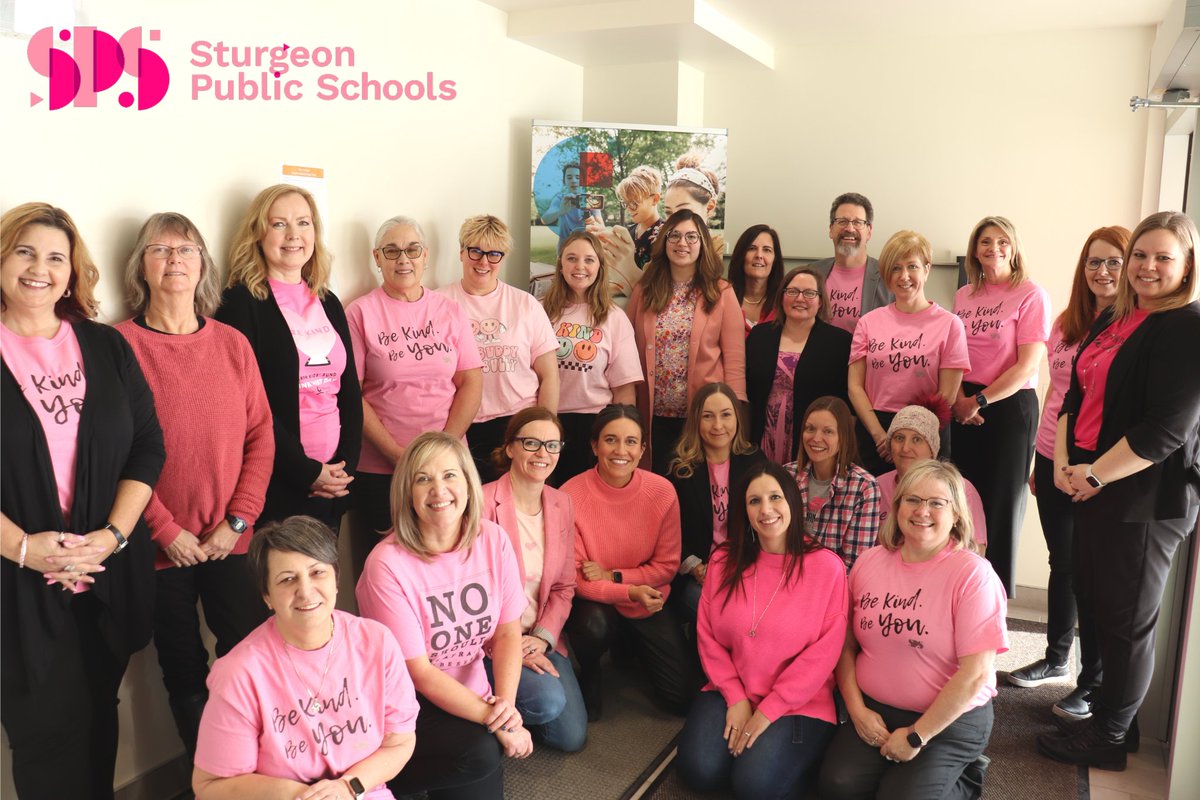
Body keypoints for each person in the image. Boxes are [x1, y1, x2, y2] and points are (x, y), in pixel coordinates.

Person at [1, 202, 165, 800]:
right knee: (44, 742)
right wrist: (24, 548)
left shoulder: (104, 347)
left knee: (99, 725)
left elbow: (147, 447)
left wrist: (113, 536)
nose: (38, 269)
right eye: (24, 252)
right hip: (16, 591)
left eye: (55, 257)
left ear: (73, 272)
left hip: (105, 578)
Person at [1037, 212, 1200, 771]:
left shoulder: (1185, 325)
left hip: (1144, 499)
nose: (1147, 266)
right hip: (1093, 484)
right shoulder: (1118, 318)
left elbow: (1165, 430)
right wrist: (1063, 463)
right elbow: (1074, 396)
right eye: (1141, 256)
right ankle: (1114, 720)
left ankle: (1109, 738)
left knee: (1128, 623)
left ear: (1187, 267)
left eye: (1163, 257)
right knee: (1100, 607)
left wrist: (1095, 474)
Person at [115, 212, 275, 759]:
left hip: (230, 541)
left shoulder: (232, 344)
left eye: (185, 250)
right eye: (159, 250)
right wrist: (165, 530)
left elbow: (261, 436)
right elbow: (116, 453)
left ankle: (261, 770)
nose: (174, 260)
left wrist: (237, 522)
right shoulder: (120, 347)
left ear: (202, 263)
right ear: (141, 265)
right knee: (183, 670)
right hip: (158, 550)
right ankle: (211, 780)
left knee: (249, 657)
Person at [819, 461, 1008, 800]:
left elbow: (976, 675)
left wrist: (917, 737)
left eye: (937, 503)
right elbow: (844, 647)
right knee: (838, 785)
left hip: (948, 720)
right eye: (912, 500)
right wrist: (857, 710)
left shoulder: (973, 576)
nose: (923, 511)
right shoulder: (869, 562)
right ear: (897, 508)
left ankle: (967, 776)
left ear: (957, 515)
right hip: (876, 710)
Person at [192, 516, 417, 800]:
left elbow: (399, 742)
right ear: (267, 596)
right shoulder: (240, 672)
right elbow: (210, 785)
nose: (305, 591)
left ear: (336, 578)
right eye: (287, 579)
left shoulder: (377, 642)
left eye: (317, 572)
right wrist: (305, 795)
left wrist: (347, 788)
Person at [357, 431, 530, 798]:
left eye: (450, 475)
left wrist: (506, 707)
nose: (439, 489)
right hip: (408, 704)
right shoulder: (386, 565)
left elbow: (507, 634)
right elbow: (418, 672)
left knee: (485, 754)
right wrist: (493, 719)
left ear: (469, 483)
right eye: (423, 479)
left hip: (471, 694)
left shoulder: (493, 540)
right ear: (407, 492)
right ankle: (385, 779)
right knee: (481, 752)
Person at [1007, 226, 1129, 719]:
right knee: (1064, 563)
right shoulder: (1066, 323)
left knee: (1092, 574)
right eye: (1093, 262)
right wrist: (1043, 462)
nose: (1102, 272)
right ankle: (1057, 658)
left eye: (1113, 262)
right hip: (1050, 456)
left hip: (1095, 465)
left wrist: (1084, 468)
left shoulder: (1133, 327)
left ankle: (1092, 682)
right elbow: (1051, 394)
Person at [677, 461, 847, 800]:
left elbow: (823, 655)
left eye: (775, 498)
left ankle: (797, 761)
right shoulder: (725, 560)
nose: (766, 509)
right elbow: (707, 634)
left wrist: (770, 710)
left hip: (798, 702)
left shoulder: (827, 567)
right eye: (754, 501)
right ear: (744, 511)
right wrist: (736, 697)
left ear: (792, 503)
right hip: (732, 688)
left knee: (754, 786)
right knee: (698, 771)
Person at [215, 184, 362, 531]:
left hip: (333, 482)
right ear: (258, 234)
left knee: (325, 581)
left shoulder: (328, 301)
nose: (294, 234)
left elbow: (350, 394)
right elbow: (249, 405)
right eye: (279, 224)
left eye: (304, 223)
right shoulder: (240, 304)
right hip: (279, 480)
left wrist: (345, 469)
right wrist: (307, 472)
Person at [346, 215, 483, 578]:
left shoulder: (449, 310)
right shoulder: (359, 313)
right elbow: (352, 394)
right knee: (386, 571)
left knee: (449, 564)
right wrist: (398, 455)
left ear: (426, 256)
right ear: (377, 257)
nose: (402, 259)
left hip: (449, 466)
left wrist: (444, 448)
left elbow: (470, 380)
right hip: (381, 469)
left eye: (412, 250)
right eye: (391, 251)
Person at [562, 404, 700, 719]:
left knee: (681, 700)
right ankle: (591, 666)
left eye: (630, 441)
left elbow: (666, 567)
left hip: (646, 600)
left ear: (642, 449)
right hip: (594, 606)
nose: (620, 450)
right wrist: (629, 591)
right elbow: (579, 580)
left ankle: (628, 643)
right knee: (594, 626)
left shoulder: (662, 492)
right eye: (610, 440)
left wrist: (614, 577)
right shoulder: (570, 495)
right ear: (595, 446)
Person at [951, 215, 1051, 597]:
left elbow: (1028, 364)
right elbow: (956, 352)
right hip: (965, 405)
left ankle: (995, 602)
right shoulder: (964, 295)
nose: (994, 248)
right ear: (974, 250)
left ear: (1014, 248)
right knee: (962, 501)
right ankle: (961, 591)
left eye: (1002, 241)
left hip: (1009, 407)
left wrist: (979, 399)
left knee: (1001, 508)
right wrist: (962, 400)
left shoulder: (1031, 294)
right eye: (985, 241)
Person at [481, 408, 588, 752]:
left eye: (552, 445)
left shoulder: (562, 503)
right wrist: (509, 646)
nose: (543, 453)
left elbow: (563, 586)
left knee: (569, 738)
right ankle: (486, 711)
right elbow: (472, 595)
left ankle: (501, 709)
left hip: (538, 637)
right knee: (547, 703)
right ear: (510, 447)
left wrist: (542, 638)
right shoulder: (481, 502)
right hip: (490, 643)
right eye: (532, 443)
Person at [438, 214, 559, 484]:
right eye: (476, 251)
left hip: (519, 424)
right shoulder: (438, 303)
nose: (484, 262)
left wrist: (544, 431)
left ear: (503, 258)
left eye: (494, 254)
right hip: (463, 425)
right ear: (461, 252)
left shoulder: (525, 304)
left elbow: (549, 376)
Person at [628, 209, 746, 474]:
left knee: (695, 492)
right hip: (652, 417)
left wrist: (733, 416)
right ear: (664, 241)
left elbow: (735, 361)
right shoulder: (644, 290)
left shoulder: (722, 293)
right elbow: (628, 353)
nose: (683, 243)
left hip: (702, 417)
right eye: (675, 236)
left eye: (692, 237)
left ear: (703, 243)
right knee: (655, 488)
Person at [848, 230, 970, 476]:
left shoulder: (950, 324)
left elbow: (946, 394)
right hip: (876, 430)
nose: (904, 276)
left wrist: (911, 437)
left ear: (926, 269)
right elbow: (855, 387)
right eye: (895, 268)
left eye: (912, 266)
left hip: (927, 430)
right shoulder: (868, 322)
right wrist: (882, 437)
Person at [540, 230, 642, 485]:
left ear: (599, 266)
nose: (580, 266)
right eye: (572, 258)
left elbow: (625, 390)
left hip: (595, 425)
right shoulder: (539, 310)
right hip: (548, 421)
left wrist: (620, 435)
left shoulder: (614, 317)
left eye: (589, 259)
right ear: (561, 264)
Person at [667, 382, 766, 619]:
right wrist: (696, 568)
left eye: (726, 415)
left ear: (737, 419)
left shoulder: (755, 462)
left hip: (745, 567)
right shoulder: (680, 470)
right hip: (697, 573)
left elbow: (764, 524)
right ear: (696, 421)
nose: (718, 425)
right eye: (708, 416)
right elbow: (668, 533)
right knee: (720, 611)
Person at [747, 266, 851, 464]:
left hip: (813, 441)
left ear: (821, 301)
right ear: (782, 296)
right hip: (760, 436)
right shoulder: (759, 336)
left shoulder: (839, 343)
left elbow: (845, 403)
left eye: (809, 293)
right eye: (792, 291)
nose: (800, 298)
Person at [875, 403, 988, 554]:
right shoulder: (876, 486)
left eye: (916, 439)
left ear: (932, 448)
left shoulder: (961, 489)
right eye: (899, 438)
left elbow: (977, 551)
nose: (905, 448)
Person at [785, 396, 880, 571]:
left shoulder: (864, 487)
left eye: (828, 431)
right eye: (810, 429)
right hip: (784, 576)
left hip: (831, 586)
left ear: (843, 437)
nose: (816, 438)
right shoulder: (786, 476)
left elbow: (853, 565)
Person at [811, 192, 892, 333]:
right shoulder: (811, 272)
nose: (849, 229)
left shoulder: (888, 277)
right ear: (831, 229)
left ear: (869, 231)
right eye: (842, 221)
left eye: (857, 222)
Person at [662, 152, 724, 253]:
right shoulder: (662, 245)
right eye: (668, 213)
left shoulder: (720, 249)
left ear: (709, 208)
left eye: (683, 211)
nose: (673, 221)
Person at [728, 224, 784, 332]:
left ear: (775, 258)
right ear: (741, 255)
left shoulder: (784, 301)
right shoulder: (723, 297)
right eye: (752, 248)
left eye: (767, 250)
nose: (759, 255)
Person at [539, 163, 589, 253]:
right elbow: (544, 220)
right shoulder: (559, 199)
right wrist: (561, 211)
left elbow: (600, 224)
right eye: (569, 177)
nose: (573, 181)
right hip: (564, 251)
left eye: (578, 177)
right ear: (564, 181)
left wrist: (592, 222)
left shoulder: (591, 200)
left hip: (587, 250)